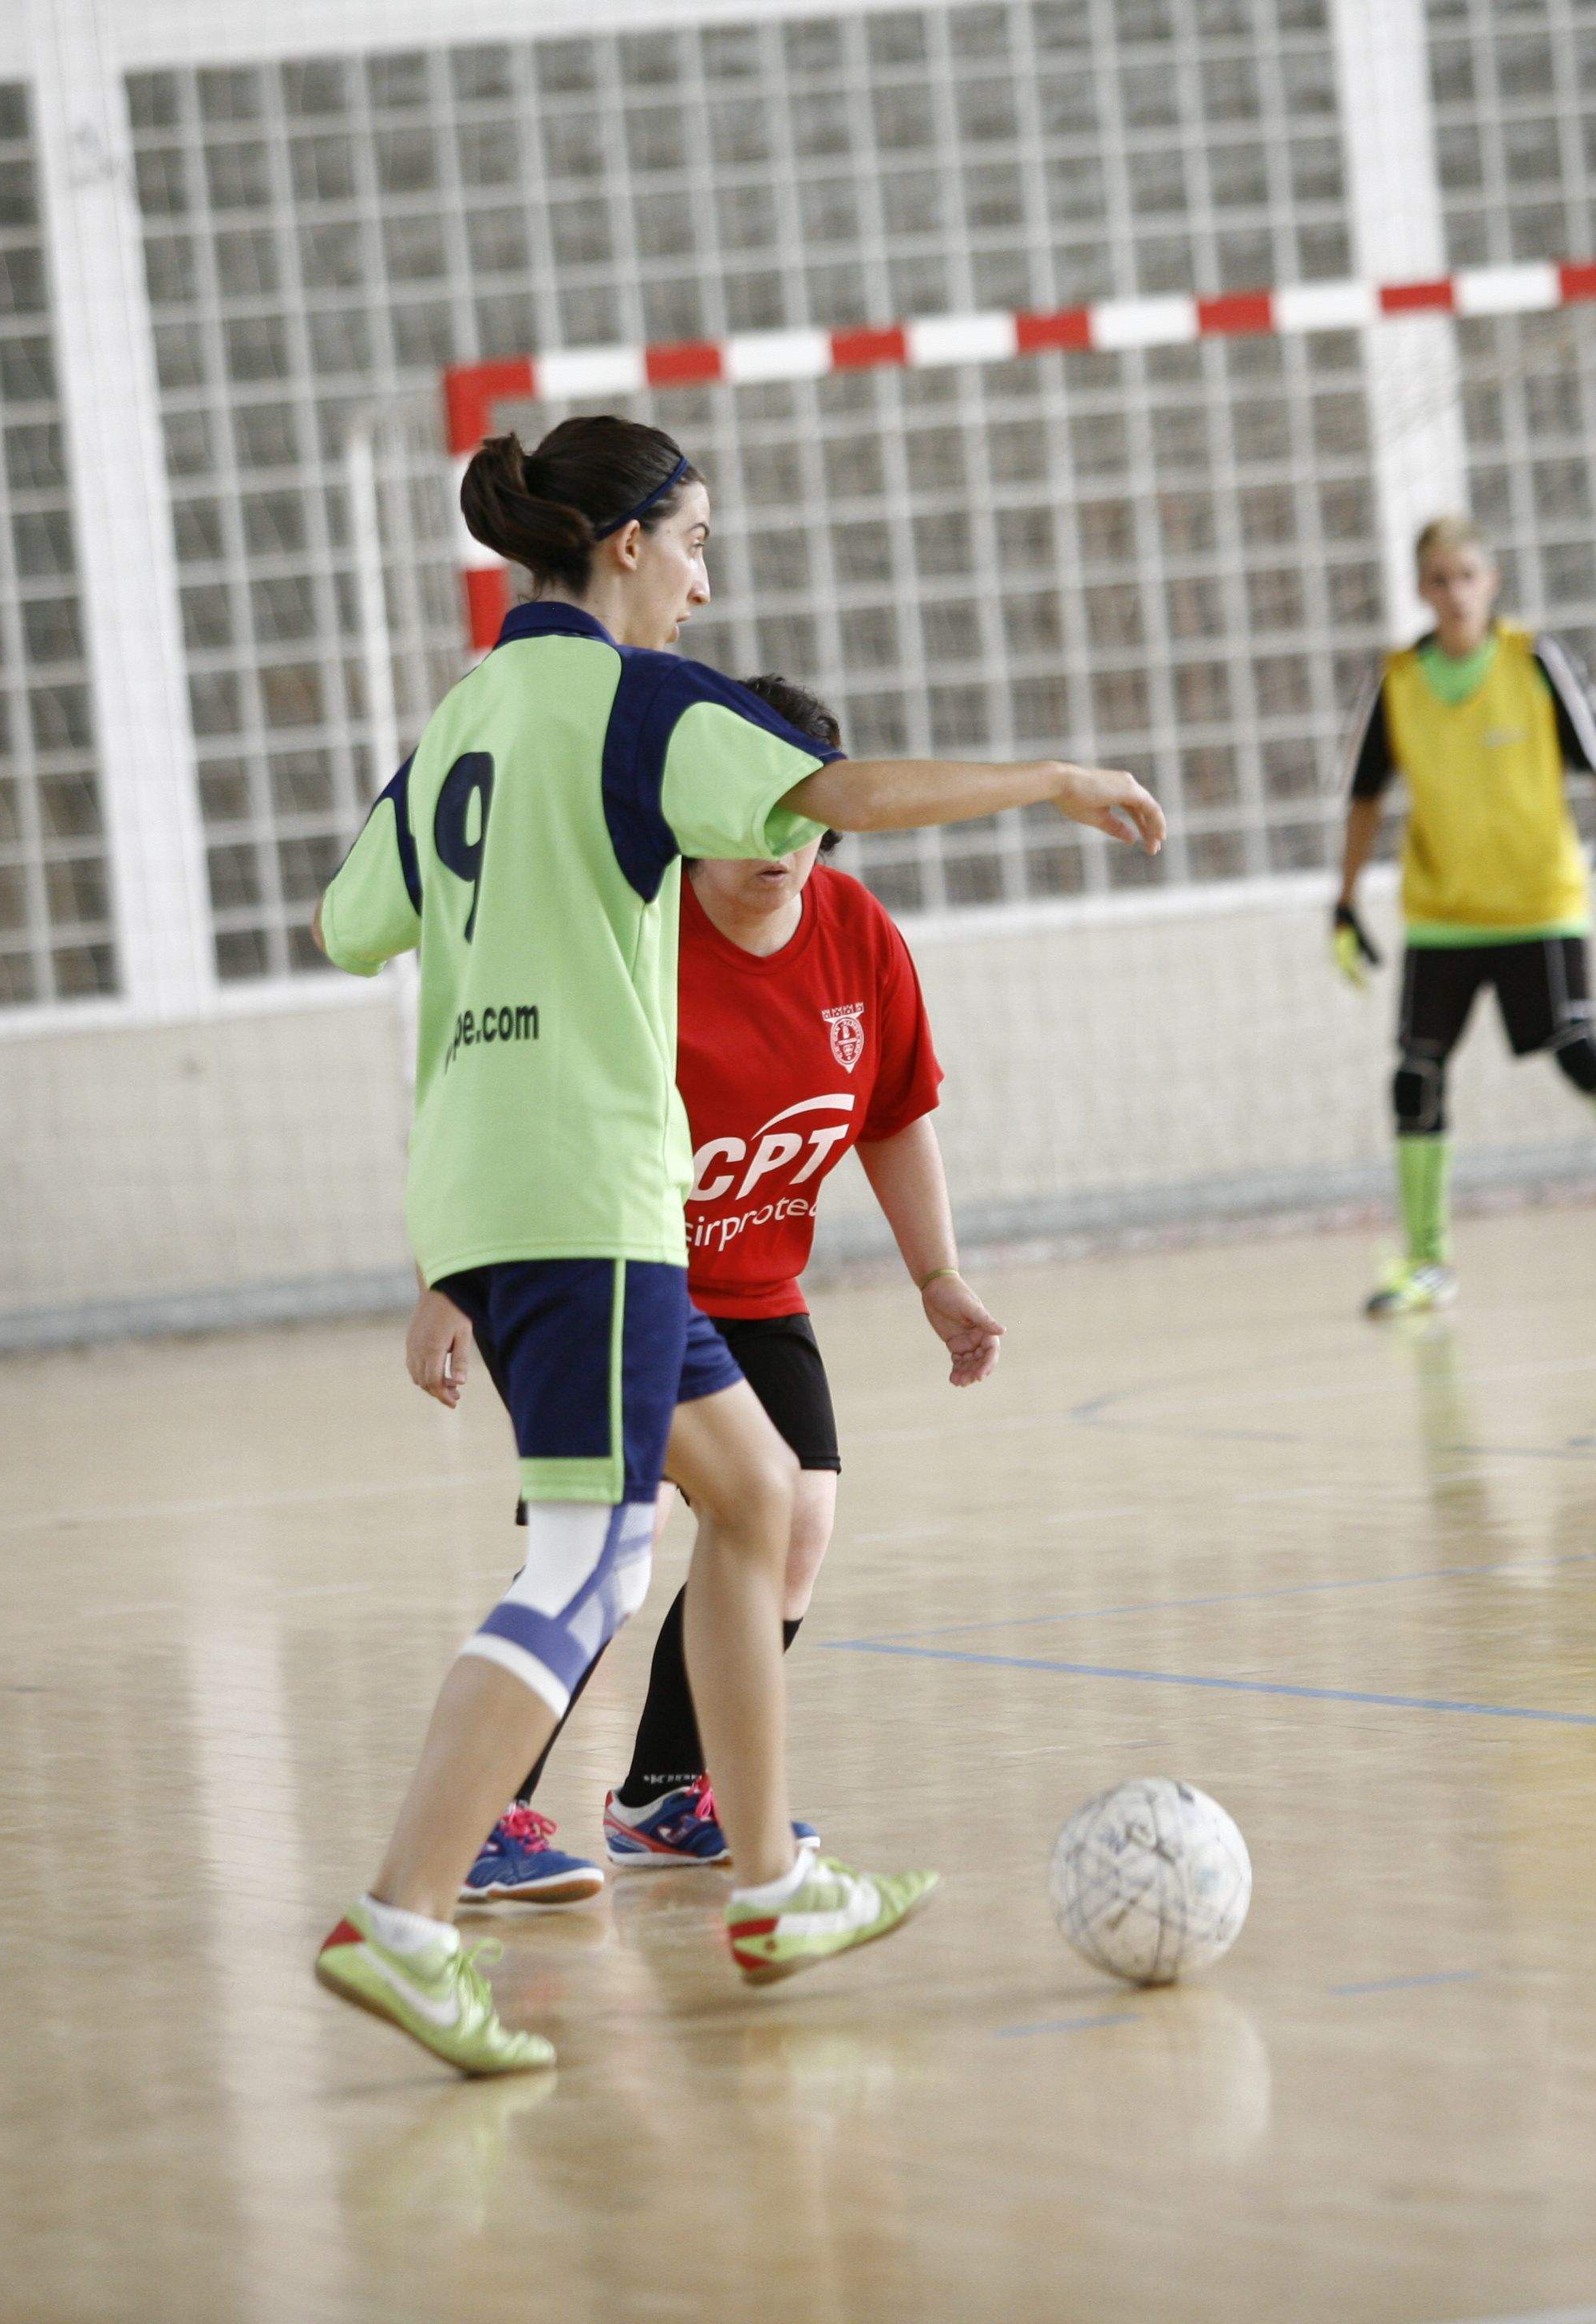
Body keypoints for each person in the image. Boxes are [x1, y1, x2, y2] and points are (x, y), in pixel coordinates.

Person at [308, 413, 1164, 2075]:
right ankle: (403, 1918)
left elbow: (353, 924)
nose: (702, 583)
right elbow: (838, 795)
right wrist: (1050, 778)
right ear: (626, 543)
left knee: (761, 1495)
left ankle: (769, 1885)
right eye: (694, 541)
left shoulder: (464, 716)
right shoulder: (636, 701)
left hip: (496, 1189)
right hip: (586, 1188)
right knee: (589, 1564)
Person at [451, 675, 1001, 1907]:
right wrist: (450, 1276)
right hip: (611, 1272)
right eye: (750, 809)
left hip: (753, 1290)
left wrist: (938, 1276)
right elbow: (510, 1100)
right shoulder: (628, 931)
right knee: (611, 1547)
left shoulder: (856, 935)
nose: (778, 841)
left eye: (802, 812)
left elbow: (894, 1112)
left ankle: (662, 1795)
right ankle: (483, 1818)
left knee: (797, 1518)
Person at [1329, 514, 1596, 1317]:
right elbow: (1365, 798)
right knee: (1415, 1074)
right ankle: (1426, 1261)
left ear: (1492, 581)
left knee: (1579, 1048)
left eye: (1467, 576)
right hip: (1444, 912)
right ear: (1421, 589)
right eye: (1439, 580)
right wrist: (1343, 901)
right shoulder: (1398, 682)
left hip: (1539, 903)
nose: (1455, 593)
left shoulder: (1536, 661)